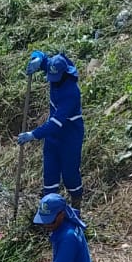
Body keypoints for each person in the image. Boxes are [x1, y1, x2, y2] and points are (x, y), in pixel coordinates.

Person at [17, 49, 85, 206]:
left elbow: (56, 123)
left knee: (69, 172)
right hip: (52, 137)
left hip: (69, 135)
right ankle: (49, 206)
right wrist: (36, 59)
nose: (52, 81)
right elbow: (40, 55)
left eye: (55, 78)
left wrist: (33, 134)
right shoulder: (54, 66)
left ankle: (76, 201)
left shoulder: (71, 93)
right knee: (50, 169)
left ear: (63, 74)